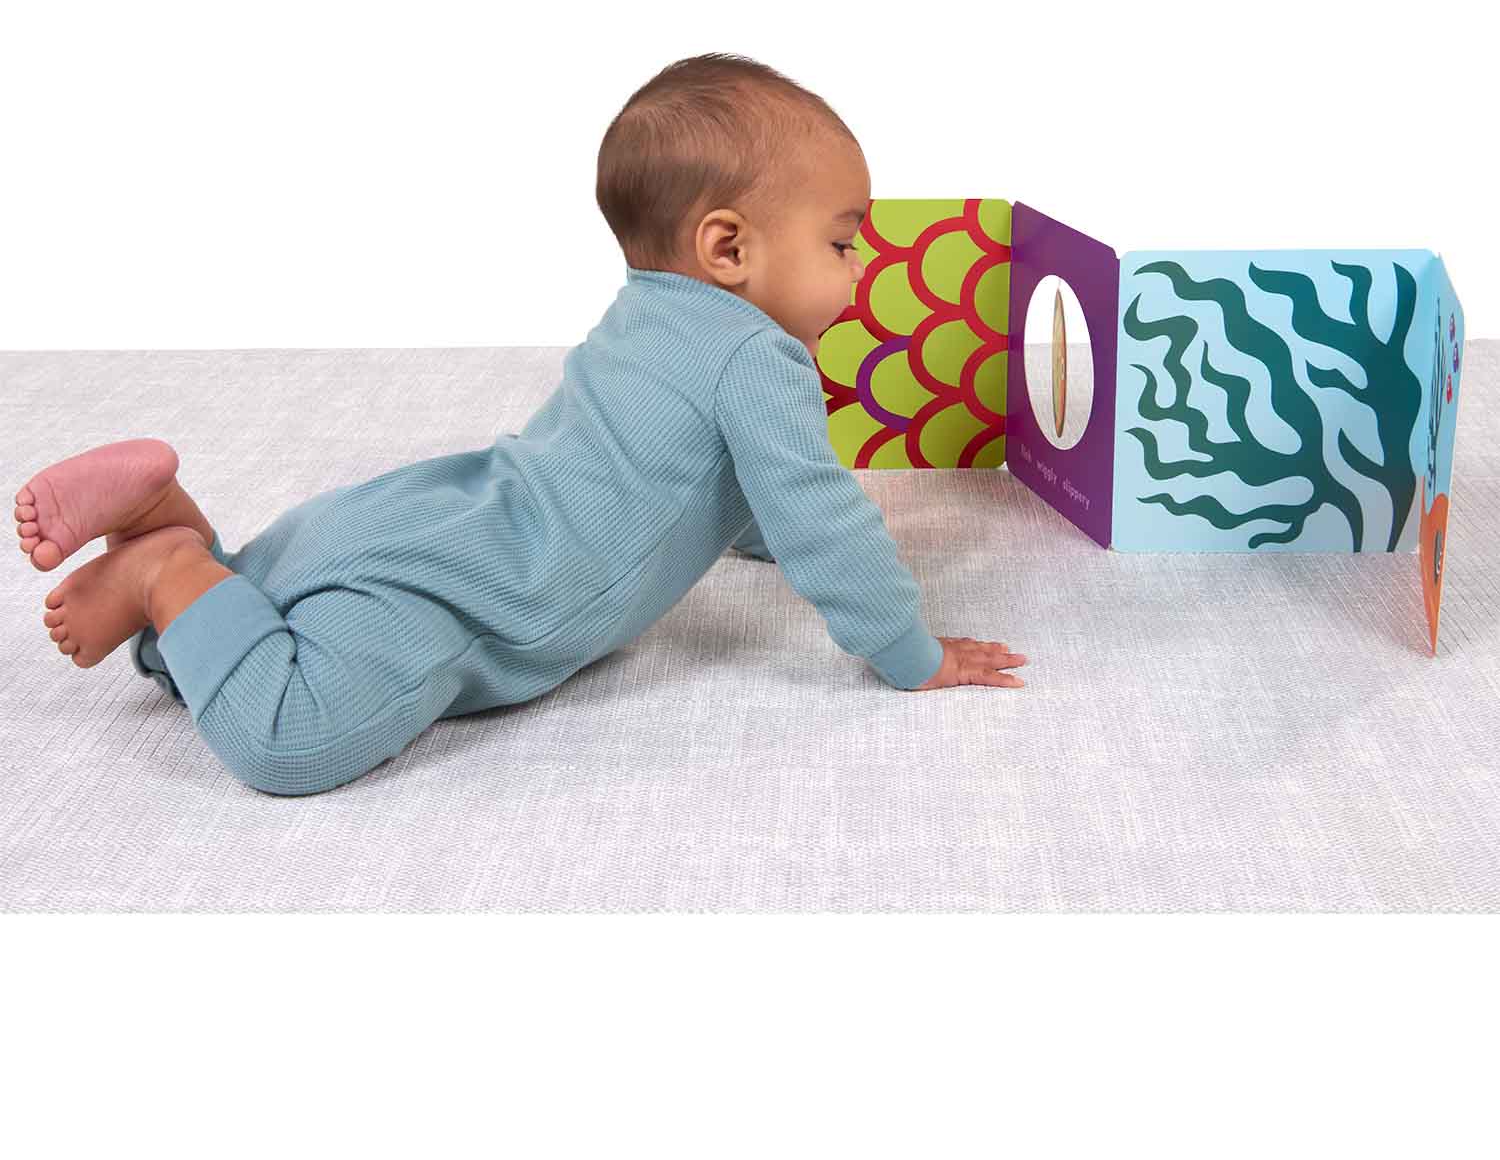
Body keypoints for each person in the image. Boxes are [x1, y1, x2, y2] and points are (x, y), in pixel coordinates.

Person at [15, 52, 1028, 797]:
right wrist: (909, 650)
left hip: (438, 510)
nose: (861, 268)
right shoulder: (762, 360)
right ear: (728, 249)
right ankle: (165, 568)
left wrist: (754, 539)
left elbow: (718, 480)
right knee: (288, 735)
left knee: (240, 628)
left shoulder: (650, 312)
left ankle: (167, 537)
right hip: (486, 591)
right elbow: (820, 518)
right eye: (843, 243)